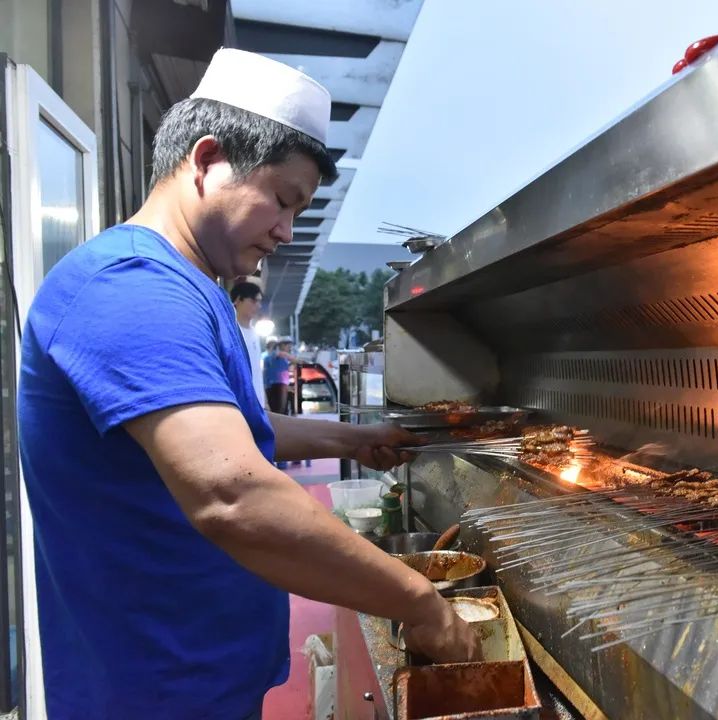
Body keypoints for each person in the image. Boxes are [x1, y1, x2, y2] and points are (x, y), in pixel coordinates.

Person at [17, 48, 477, 720]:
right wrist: (418, 601)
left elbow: (227, 430)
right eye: (282, 201)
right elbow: (230, 492)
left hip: (200, 671)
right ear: (206, 161)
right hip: (152, 689)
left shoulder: (190, 288)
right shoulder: (130, 288)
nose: (287, 232)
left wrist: (353, 435)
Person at [231, 281, 266, 407]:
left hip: (259, 405)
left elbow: (257, 371)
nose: (258, 306)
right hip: (239, 406)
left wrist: (265, 402)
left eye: (259, 302)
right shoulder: (230, 331)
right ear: (238, 300)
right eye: (253, 301)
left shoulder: (255, 333)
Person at [264, 335, 297, 414]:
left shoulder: (284, 359)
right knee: (279, 409)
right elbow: (284, 355)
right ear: (282, 345)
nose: (290, 348)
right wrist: (297, 360)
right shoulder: (275, 354)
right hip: (276, 386)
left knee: (283, 409)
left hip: (281, 386)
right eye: (288, 345)